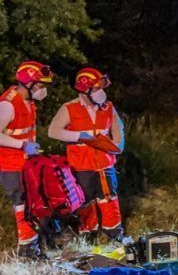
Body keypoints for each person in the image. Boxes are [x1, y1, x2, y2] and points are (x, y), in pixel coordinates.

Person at [49, 67, 125, 242]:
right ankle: (87, 237)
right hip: (81, 166)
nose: (101, 92)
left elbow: (118, 130)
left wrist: (117, 147)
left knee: (109, 200)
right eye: (97, 89)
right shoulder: (69, 108)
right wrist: (79, 136)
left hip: (105, 164)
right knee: (86, 202)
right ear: (85, 90)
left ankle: (114, 236)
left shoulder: (108, 108)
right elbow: (53, 131)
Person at [0, 61, 53, 257]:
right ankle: (26, 249)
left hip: (25, 162)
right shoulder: (8, 104)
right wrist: (22, 146)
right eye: (39, 85)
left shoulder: (28, 102)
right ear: (27, 83)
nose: (41, 90)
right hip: (10, 164)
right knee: (21, 204)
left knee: (32, 202)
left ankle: (33, 246)